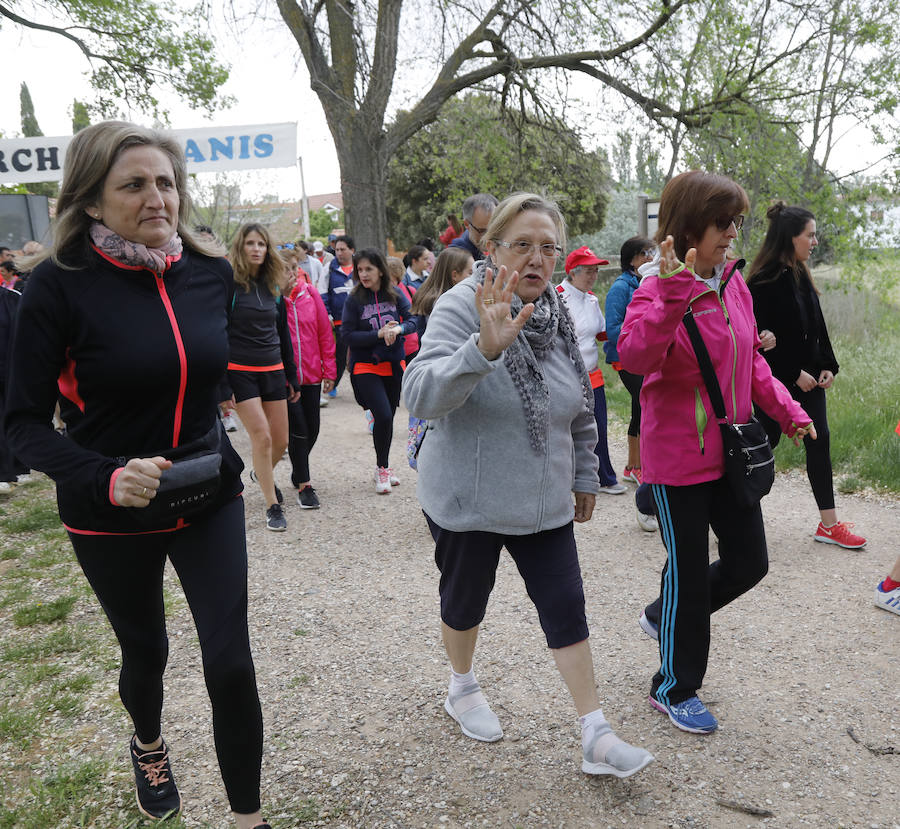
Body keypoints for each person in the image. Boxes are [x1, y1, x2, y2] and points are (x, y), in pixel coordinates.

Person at [3, 121, 272, 829]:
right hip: (109, 506)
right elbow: (21, 425)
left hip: (207, 490)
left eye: (166, 182)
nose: (158, 198)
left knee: (230, 661)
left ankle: (248, 819)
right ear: (91, 201)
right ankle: (148, 742)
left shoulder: (211, 270)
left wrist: (258, 438)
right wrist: (104, 474)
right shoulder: (55, 287)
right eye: (134, 184)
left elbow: (220, 368)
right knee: (146, 650)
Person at [403, 192, 654, 779]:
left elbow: (582, 405)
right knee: (465, 603)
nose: (537, 259)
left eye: (549, 248)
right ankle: (461, 687)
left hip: (542, 497)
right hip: (469, 496)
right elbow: (419, 394)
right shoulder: (463, 306)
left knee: (566, 605)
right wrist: (483, 349)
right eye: (523, 246)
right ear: (491, 251)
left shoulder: (558, 314)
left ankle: (595, 731)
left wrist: (586, 471)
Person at [618, 170, 814, 735]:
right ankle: (673, 686)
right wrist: (676, 291)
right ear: (688, 227)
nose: (732, 233)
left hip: (729, 451)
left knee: (751, 561)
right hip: (677, 460)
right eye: (723, 223)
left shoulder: (733, 284)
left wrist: (788, 412)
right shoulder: (655, 288)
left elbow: (751, 361)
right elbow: (635, 358)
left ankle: (666, 614)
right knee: (686, 570)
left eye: (736, 222)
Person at [747, 202, 866, 549]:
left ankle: (828, 524)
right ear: (791, 237)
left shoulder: (800, 274)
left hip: (812, 380)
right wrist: (791, 373)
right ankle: (729, 508)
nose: (814, 242)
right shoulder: (761, 282)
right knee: (763, 446)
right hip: (776, 383)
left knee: (820, 439)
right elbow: (757, 343)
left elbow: (816, 328)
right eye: (810, 235)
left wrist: (827, 365)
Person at [224, 222, 300, 532]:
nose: (256, 249)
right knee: (263, 437)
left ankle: (261, 472)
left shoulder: (273, 286)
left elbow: (282, 332)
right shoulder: (228, 285)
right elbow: (217, 334)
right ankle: (272, 505)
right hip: (239, 372)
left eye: (261, 244)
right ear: (240, 248)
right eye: (250, 243)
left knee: (281, 440)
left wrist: (292, 374)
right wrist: (220, 383)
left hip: (273, 370)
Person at [341, 248, 416, 493]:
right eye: (359, 269)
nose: (363, 274)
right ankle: (382, 468)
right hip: (365, 366)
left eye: (368, 269)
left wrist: (399, 330)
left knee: (389, 417)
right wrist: (379, 334)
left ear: (381, 271)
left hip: (393, 365)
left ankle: (383, 466)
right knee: (382, 415)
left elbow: (415, 320)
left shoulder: (395, 295)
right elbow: (347, 335)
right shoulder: (354, 299)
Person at [557, 246, 626, 495]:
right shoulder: (557, 298)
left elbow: (601, 331)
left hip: (593, 375)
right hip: (567, 376)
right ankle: (564, 478)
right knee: (566, 429)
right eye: (589, 271)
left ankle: (605, 477)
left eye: (596, 271)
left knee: (598, 427)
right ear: (573, 272)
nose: (594, 275)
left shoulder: (593, 299)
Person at [282, 258, 336, 509]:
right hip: (285, 379)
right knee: (299, 430)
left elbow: (325, 332)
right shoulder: (272, 299)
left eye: (293, 268)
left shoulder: (309, 293)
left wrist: (329, 370)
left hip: (312, 374)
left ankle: (296, 468)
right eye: (284, 269)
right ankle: (305, 485)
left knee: (312, 427)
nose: (291, 274)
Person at [604, 236, 656, 485]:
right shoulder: (620, 288)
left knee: (642, 405)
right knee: (643, 404)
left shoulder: (644, 282)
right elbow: (613, 329)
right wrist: (641, 336)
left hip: (644, 357)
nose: (649, 257)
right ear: (630, 259)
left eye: (651, 252)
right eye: (644, 253)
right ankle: (634, 465)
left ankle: (635, 465)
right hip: (625, 358)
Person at [323, 234, 356, 398]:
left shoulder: (360, 266)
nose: (339, 253)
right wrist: (327, 313)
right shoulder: (329, 268)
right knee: (340, 355)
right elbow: (322, 292)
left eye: (343, 249)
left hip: (360, 318)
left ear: (352, 250)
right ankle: (334, 384)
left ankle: (361, 385)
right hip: (338, 320)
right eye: (337, 250)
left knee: (361, 353)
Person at [448, 193, 498, 261]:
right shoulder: (456, 258)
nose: (488, 237)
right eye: (482, 231)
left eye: (494, 229)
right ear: (467, 224)